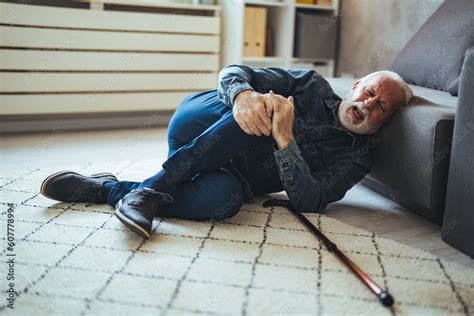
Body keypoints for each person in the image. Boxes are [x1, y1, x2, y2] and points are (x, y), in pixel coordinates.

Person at [40, 65, 413, 239]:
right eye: (369, 91)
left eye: (380, 106)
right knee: (262, 111)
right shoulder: (311, 84)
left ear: (386, 121)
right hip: (199, 122)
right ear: (358, 83)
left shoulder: (358, 156)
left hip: (229, 176)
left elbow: (311, 201)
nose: (367, 103)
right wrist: (245, 97)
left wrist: (285, 140)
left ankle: (109, 190)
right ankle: (151, 189)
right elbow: (233, 71)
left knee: (227, 201)